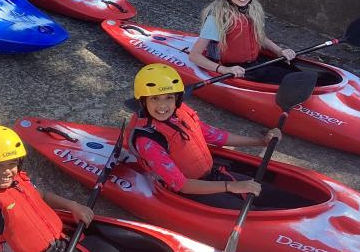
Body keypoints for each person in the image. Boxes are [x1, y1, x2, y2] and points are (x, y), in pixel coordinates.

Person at [126, 63, 313, 210]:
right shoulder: (147, 141)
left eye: (169, 97)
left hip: (213, 175)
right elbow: (182, 185)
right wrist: (231, 187)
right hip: (190, 191)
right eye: (154, 99)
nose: (163, 106)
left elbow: (216, 136)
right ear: (143, 101)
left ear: (177, 99)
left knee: (270, 192)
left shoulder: (179, 112)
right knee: (258, 212)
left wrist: (261, 141)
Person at [188, 0, 296, 84]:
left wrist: (279, 51)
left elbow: (260, 38)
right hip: (229, 68)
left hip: (253, 64)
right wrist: (224, 70)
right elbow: (194, 56)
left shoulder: (253, 9)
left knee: (295, 74)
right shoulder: (217, 17)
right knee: (290, 81)